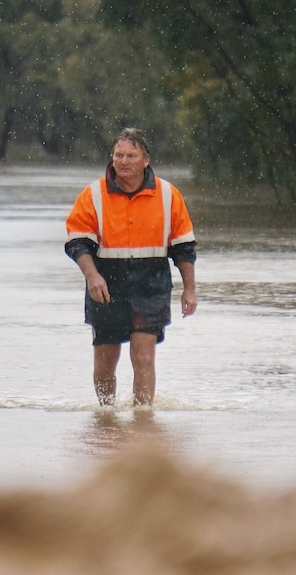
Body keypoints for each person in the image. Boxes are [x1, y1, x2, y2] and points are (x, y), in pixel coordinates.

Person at [65, 128, 198, 407]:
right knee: (105, 363)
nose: (124, 161)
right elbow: (77, 242)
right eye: (119, 155)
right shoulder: (93, 195)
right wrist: (92, 277)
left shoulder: (168, 194)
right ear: (112, 159)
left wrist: (190, 290)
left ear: (145, 160)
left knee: (144, 356)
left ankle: (143, 418)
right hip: (106, 284)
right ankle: (106, 415)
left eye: (131, 155)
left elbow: (183, 247)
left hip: (151, 284)